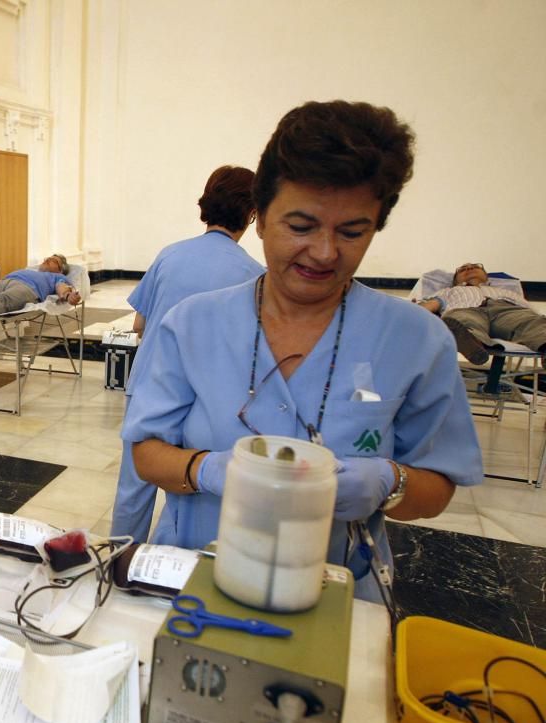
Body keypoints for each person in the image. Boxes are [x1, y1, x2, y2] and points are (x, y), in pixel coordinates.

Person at [122, 100, 483, 602]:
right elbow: (146, 452)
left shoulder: (415, 340)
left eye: (353, 232)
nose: (325, 252)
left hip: (336, 594)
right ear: (261, 217)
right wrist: (208, 470)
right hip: (192, 580)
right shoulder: (192, 325)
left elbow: (437, 487)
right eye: (301, 226)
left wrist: (389, 481)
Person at [112, 165, 265, 542]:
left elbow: (138, 326)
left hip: (148, 386)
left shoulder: (170, 256)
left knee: (134, 490)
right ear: (252, 213)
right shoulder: (254, 274)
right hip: (207, 401)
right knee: (193, 494)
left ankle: (118, 566)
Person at [416, 262, 546, 364]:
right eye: (463, 269)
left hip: (507, 310)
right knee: (461, 321)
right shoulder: (449, 291)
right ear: (455, 281)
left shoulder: (507, 292)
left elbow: (530, 312)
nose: (469, 269)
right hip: (466, 308)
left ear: (486, 277)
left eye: (475, 267)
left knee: (530, 323)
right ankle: (473, 344)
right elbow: (429, 305)